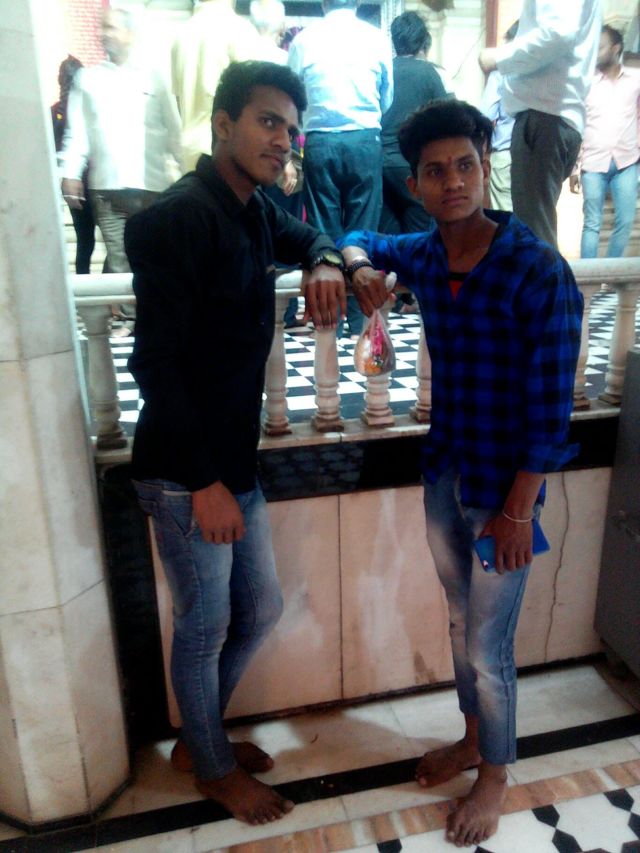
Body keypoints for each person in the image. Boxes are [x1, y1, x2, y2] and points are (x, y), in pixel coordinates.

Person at [339, 99, 582, 847]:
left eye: (466, 166)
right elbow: (356, 237)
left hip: (503, 494)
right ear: (415, 183)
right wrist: (356, 266)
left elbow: (551, 413)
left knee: (488, 646)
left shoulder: (536, 270)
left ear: (486, 167)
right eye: (436, 171)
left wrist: (517, 512)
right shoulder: (424, 254)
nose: (454, 182)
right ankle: (473, 738)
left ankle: (496, 776)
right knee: (456, 617)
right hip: (444, 473)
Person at [125, 60, 352, 825]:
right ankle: (212, 766)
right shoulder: (178, 218)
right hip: (184, 471)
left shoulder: (253, 208)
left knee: (259, 608)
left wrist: (326, 259)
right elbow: (154, 364)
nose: (283, 140)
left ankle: (201, 739)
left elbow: (310, 233)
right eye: (267, 121)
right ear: (223, 123)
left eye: (291, 128)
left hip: (232, 462)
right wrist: (203, 483)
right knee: (206, 624)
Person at [61, 7, 182, 334]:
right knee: (119, 258)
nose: (104, 34)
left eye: (111, 27)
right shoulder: (87, 79)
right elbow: (77, 132)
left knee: (156, 256)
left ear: (129, 33)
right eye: (102, 27)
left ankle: (160, 316)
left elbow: (174, 130)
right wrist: (70, 171)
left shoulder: (154, 75)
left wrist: (188, 173)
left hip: (152, 184)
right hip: (106, 187)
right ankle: (132, 318)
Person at [288, 0, 393, 339]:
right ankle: (362, 326)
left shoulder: (304, 39)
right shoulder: (375, 37)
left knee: (325, 234)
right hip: (365, 138)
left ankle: (329, 324)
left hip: (320, 140)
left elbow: (293, 94)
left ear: (322, 2)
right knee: (363, 232)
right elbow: (387, 96)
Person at [479, 1, 602, 248]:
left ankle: (545, 275)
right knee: (535, 231)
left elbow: (558, 33)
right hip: (551, 117)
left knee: (534, 236)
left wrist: (498, 57)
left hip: (543, 116)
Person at [171, 0, 267, 172]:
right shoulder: (239, 29)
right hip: (227, 150)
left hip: (189, 148)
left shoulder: (181, 34)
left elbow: (179, 101)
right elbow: (257, 99)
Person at [570, 24, 640, 258]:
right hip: (593, 164)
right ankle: (587, 278)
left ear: (616, 48)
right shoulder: (586, 84)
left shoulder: (635, 80)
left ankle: (609, 273)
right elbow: (578, 126)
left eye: (600, 47)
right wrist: (574, 168)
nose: (596, 52)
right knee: (592, 223)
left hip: (627, 162)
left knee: (625, 222)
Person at [380, 11, 446, 234]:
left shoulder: (383, 69)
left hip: (378, 162)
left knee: (387, 230)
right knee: (419, 228)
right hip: (407, 162)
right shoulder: (428, 73)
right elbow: (447, 119)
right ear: (422, 40)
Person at [52, 55, 96, 274]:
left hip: (74, 181)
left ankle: (84, 282)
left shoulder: (55, 112)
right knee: (96, 239)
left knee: (84, 239)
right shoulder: (84, 107)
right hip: (90, 179)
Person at [479, 21, 518, 212]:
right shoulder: (545, 75)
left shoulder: (501, 73)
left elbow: (486, 114)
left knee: (506, 214)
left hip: (505, 153)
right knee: (535, 215)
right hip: (538, 154)